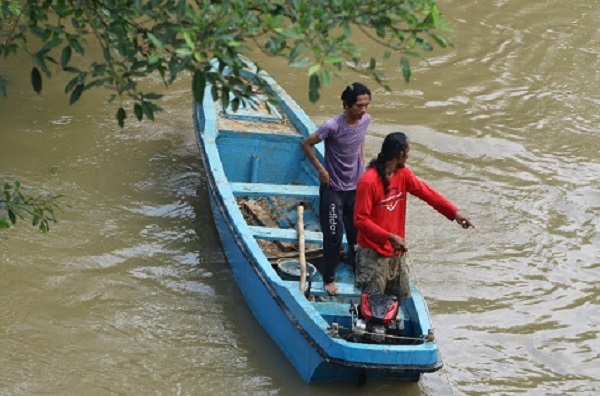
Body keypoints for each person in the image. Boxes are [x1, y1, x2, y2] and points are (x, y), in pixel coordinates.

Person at [354, 132, 474, 300]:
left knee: (402, 298)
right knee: (373, 303)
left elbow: (428, 193)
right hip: (373, 254)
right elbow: (360, 220)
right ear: (401, 154)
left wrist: (454, 212)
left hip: (396, 252)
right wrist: (388, 237)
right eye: (408, 150)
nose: (409, 155)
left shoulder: (403, 175)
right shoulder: (368, 181)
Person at [301, 82, 372, 296]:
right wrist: (321, 171)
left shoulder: (365, 120)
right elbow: (306, 144)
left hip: (355, 187)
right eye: (359, 106)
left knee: (356, 232)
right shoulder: (332, 126)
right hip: (333, 188)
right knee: (333, 234)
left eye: (366, 105)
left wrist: (362, 162)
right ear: (346, 104)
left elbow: (360, 140)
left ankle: (355, 264)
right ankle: (329, 277)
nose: (363, 110)